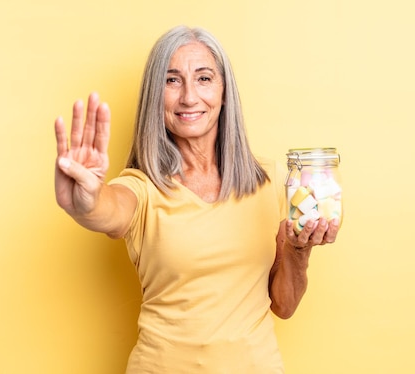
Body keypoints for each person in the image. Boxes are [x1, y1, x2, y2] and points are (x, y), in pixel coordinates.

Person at [54, 25, 340, 373]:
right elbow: (108, 210)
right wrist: (86, 202)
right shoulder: (142, 188)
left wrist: (299, 250)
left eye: (204, 78)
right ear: (153, 96)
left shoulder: (273, 179)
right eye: (172, 80)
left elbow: (283, 305)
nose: (189, 97)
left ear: (224, 91)